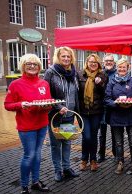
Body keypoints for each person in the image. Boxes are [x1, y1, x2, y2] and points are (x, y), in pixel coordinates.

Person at [4, 54, 51, 194]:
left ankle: (35, 182)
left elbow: (48, 103)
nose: (32, 66)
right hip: (26, 127)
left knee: (37, 155)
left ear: (39, 67)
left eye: (35, 64)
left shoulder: (44, 84)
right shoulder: (15, 84)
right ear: (23, 66)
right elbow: (7, 105)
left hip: (42, 124)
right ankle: (24, 186)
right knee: (29, 155)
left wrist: (46, 107)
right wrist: (20, 104)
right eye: (28, 64)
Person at [44, 46, 79, 182]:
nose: (66, 58)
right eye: (63, 56)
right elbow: (46, 95)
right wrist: (58, 107)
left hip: (69, 116)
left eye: (68, 56)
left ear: (71, 58)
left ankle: (66, 168)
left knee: (67, 142)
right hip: (55, 116)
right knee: (55, 144)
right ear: (58, 57)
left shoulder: (74, 73)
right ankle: (57, 170)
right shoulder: (50, 73)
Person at [104, 58, 132, 175]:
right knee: (119, 142)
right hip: (116, 115)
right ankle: (120, 162)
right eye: (120, 67)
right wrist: (116, 104)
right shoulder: (111, 82)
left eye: (124, 67)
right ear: (117, 68)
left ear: (128, 68)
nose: (121, 69)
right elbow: (107, 99)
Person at [77, 54, 107, 171]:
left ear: (98, 64)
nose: (93, 64)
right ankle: (84, 159)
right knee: (86, 136)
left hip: (96, 111)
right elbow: (76, 92)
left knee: (93, 136)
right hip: (83, 111)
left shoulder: (102, 75)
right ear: (87, 62)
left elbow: (105, 93)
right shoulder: (80, 74)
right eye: (91, 62)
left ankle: (93, 160)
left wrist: (100, 84)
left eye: (95, 62)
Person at [98, 53, 117, 163]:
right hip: (103, 107)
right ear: (103, 62)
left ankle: (116, 154)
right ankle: (101, 154)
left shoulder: (117, 73)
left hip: (114, 107)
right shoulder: (100, 73)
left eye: (110, 61)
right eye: (107, 61)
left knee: (115, 132)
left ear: (113, 62)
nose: (109, 62)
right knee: (102, 132)